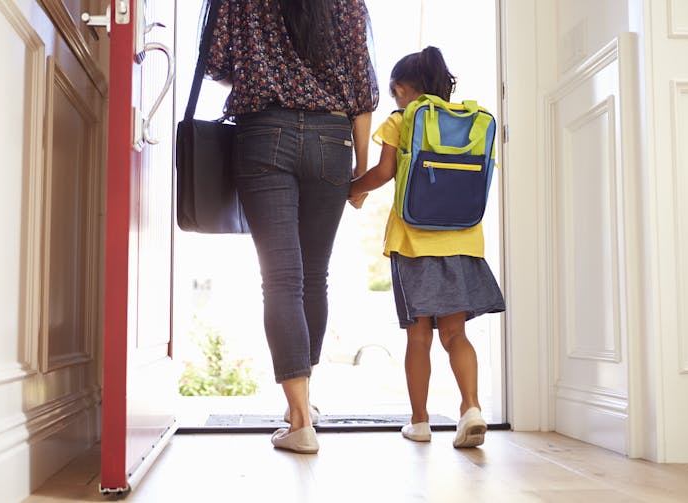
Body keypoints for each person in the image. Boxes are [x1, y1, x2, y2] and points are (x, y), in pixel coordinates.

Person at [204, 0, 379, 453]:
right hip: (332, 139)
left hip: (264, 133)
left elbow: (216, 63)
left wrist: (261, 73)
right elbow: (361, 91)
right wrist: (360, 172)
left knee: (281, 280)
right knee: (314, 276)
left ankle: (299, 419)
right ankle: (303, 404)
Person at [348, 46, 505, 448]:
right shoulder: (470, 122)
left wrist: (352, 191)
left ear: (401, 88)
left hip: (414, 241)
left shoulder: (402, 119)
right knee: (456, 334)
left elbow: (383, 172)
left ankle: (419, 422)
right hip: (464, 239)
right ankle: (471, 408)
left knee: (419, 337)